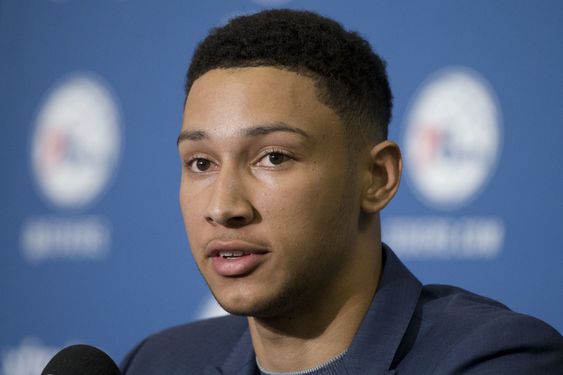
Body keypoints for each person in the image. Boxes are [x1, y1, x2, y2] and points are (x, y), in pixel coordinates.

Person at [121, 9, 563, 374]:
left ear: (377, 178)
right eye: (201, 163)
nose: (223, 207)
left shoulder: (496, 359)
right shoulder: (158, 363)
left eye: (273, 157)